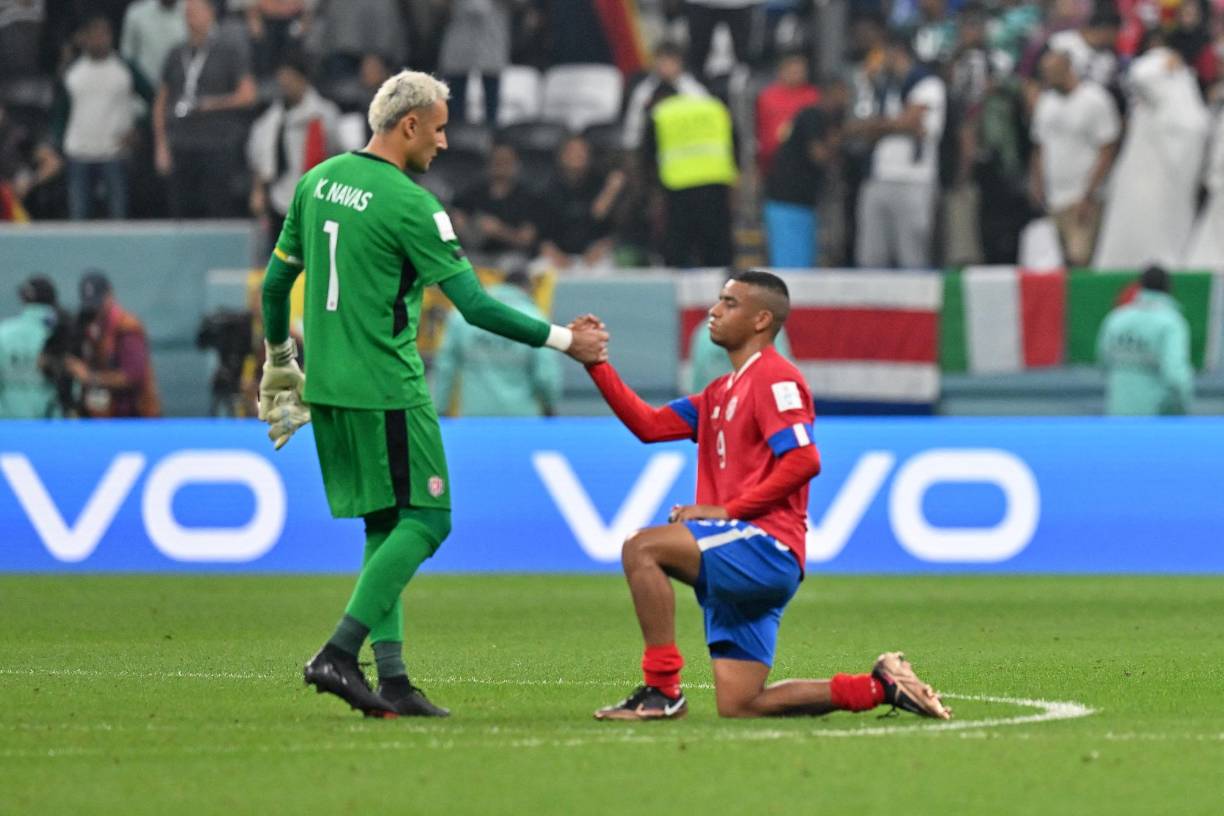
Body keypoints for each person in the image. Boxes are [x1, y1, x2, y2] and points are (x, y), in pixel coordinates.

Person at [257, 69, 608, 719]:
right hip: (387, 386)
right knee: (430, 518)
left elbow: (276, 288)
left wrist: (280, 359)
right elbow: (473, 305)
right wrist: (566, 340)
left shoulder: (315, 184)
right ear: (409, 124)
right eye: (440, 129)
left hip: (329, 386)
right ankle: (339, 652)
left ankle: (391, 680)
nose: (445, 143)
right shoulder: (412, 205)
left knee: (385, 523)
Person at [578, 270, 949, 721]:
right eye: (718, 301)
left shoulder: (776, 379)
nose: (714, 311)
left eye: (729, 303)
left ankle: (662, 689)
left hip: (763, 544)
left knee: (642, 548)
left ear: (761, 320)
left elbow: (804, 460)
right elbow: (649, 425)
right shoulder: (720, 392)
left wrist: (726, 510)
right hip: (743, 553)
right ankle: (879, 687)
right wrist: (596, 364)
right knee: (742, 703)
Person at [1093, 33, 1209, 269]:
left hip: (1166, 177)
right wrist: (1164, 59)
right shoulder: (1153, 71)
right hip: (1142, 169)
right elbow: (1140, 74)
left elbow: (1195, 127)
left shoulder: (1183, 89)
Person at [152, 0, 257, 218]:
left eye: (196, 12)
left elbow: (248, 95)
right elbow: (161, 101)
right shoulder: (175, 53)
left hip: (216, 144)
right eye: (187, 13)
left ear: (210, 14)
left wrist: (211, 104)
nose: (191, 18)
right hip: (181, 143)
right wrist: (161, 144)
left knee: (216, 208)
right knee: (181, 211)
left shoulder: (228, 51)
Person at [851, 33, 946, 270]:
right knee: (871, 256)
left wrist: (879, 125)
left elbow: (914, 124)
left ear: (898, 52)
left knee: (912, 255)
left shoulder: (928, 83)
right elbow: (858, 127)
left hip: (913, 180)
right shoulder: (883, 87)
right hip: (878, 177)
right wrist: (889, 123)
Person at [54, 15, 156, 220]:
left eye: (103, 34)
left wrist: (139, 128)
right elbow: (59, 113)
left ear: (111, 37)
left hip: (114, 153)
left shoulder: (125, 68)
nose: (99, 40)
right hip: (79, 153)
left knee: (118, 217)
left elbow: (154, 99)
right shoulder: (72, 72)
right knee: (79, 217)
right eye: (93, 35)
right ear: (84, 39)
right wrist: (58, 144)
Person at [1028, 49, 1120, 268]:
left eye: (1052, 72)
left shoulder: (1094, 100)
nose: (1047, 77)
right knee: (1059, 264)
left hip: (1082, 197)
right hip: (1054, 198)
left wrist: (1089, 193)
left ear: (1068, 68)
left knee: (1080, 259)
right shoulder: (1046, 102)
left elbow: (1107, 148)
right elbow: (1040, 147)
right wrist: (1037, 183)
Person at [431, 268, 561, 416]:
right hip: (522, 419)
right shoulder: (536, 320)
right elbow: (545, 375)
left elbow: (445, 368)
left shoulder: (460, 317)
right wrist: (550, 407)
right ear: (527, 289)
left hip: (474, 418)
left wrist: (440, 409)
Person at [247, 50, 340, 253]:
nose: (286, 84)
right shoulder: (270, 120)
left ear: (302, 79)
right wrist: (258, 190)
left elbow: (339, 155)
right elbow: (259, 159)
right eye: (282, 78)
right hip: (280, 198)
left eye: (290, 78)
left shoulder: (324, 115)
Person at [642, 85, 738, 268]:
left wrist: (653, 188)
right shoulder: (714, 108)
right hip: (715, 184)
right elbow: (734, 142)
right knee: (717, 249)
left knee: (678, 252)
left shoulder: (661, 114)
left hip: (678, 188)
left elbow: (648, 158)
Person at [1097, 266, 1194, 416]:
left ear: (1140, 286)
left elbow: (1104, 360)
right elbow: (1175, 374)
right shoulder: (1171, 322)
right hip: (1155, 420)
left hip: (1117, 414)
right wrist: (1184, 408)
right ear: (1169, 288)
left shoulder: (1116, 318)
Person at [65, 270, 161, 418]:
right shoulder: (90, 326)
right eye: (91, 304)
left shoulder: (127, 327)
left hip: (134, 416)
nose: (96, 309)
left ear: (110, 295)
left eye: (99, 302)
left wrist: (89, 377)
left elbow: (133, 375)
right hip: (104, 415)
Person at [761, 105, 840, 267]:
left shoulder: (805, 117)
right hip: (790, 202)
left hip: (795, 202)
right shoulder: (813, 116)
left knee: (798, 261)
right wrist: (836, 146)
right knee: (793, 265)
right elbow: (818, 154)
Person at [538, 135, 625, 274]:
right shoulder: (549, 188)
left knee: (606, 273)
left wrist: (601, 247)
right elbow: (542, 233)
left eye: (582, 152)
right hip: (559, 254)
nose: (577, 156)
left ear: (590, 156)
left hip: (595, 254)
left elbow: (613, 229)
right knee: (539, 271)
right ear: (561, 156)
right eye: (572, 151)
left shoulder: (603, 185)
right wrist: (553, 253)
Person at [0, 277, 61, 418]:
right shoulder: (63, 334)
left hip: (7, 426)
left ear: (23, 299)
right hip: (52, 426)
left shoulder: (3, 333)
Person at [120, 0, 187, 89]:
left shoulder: (192, 11)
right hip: (143, 92)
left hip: (182, 91)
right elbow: (127, 57)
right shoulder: (137, 13)